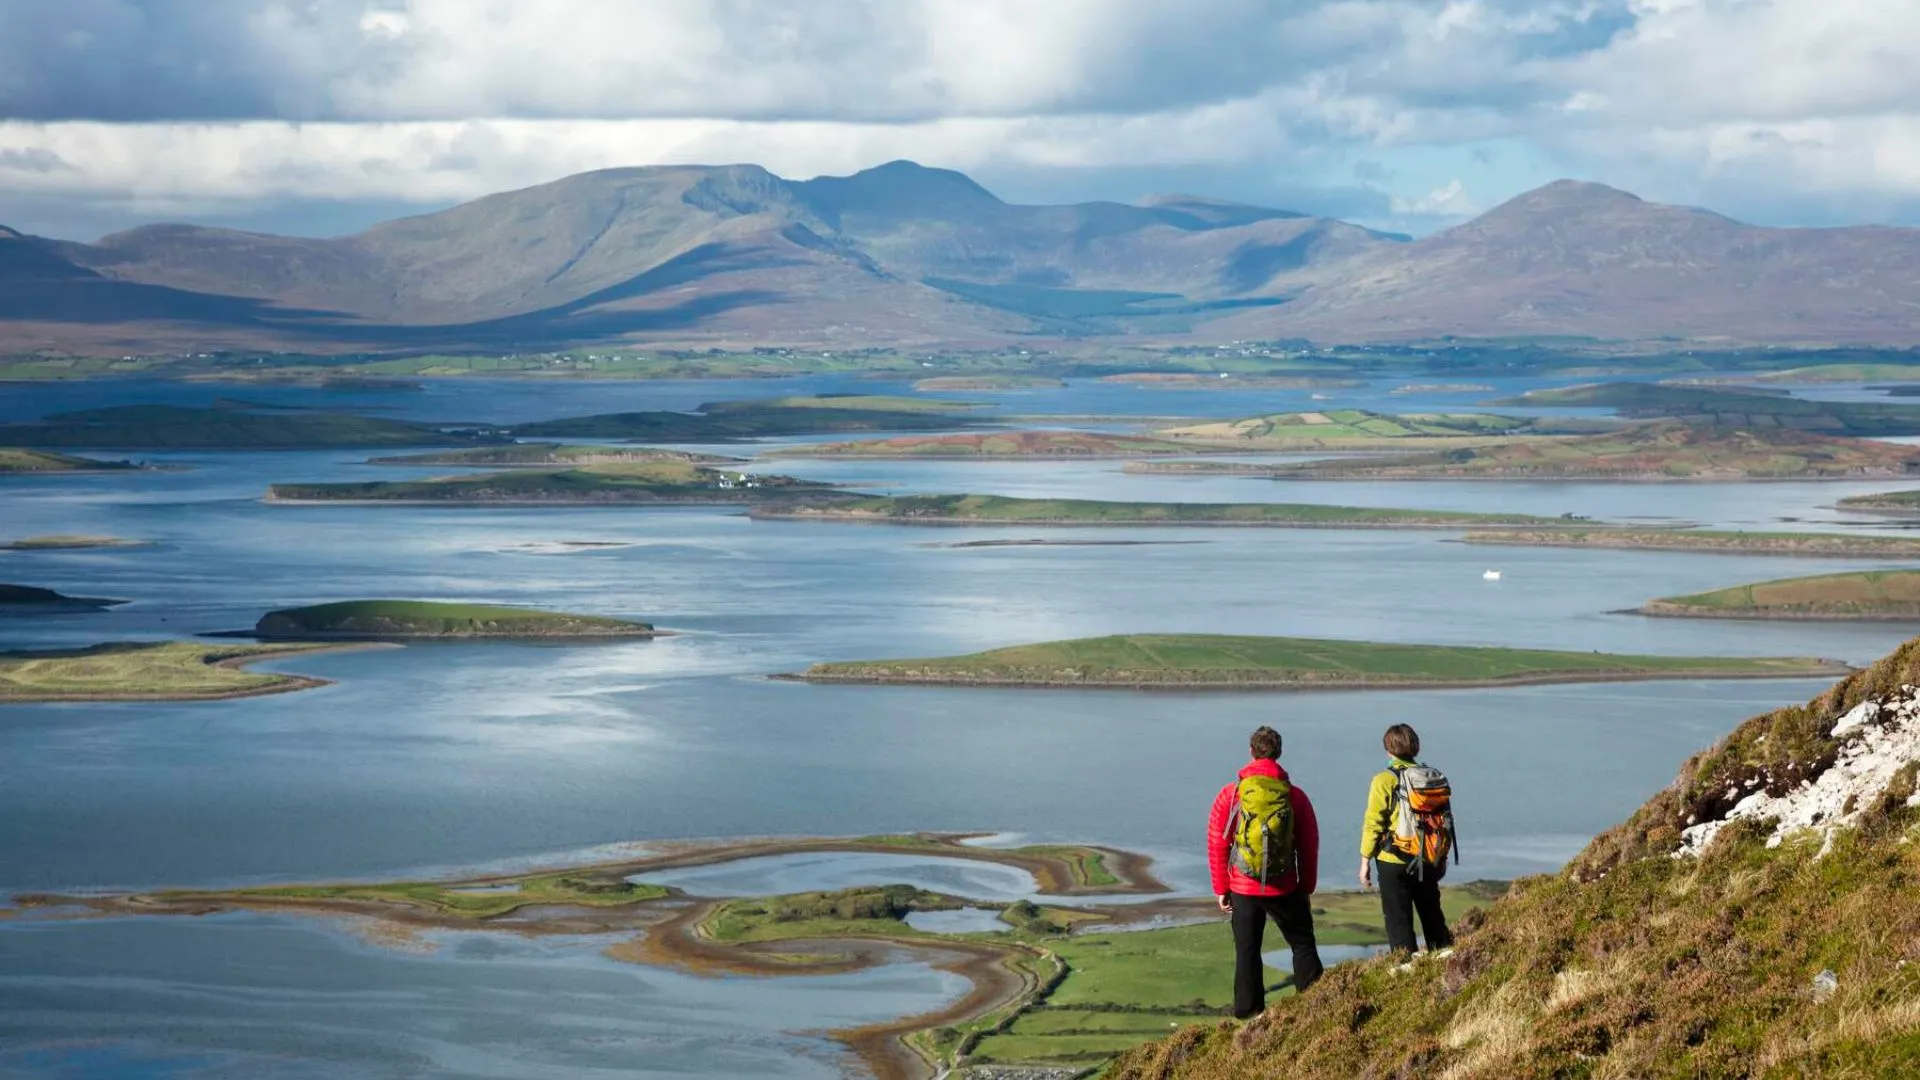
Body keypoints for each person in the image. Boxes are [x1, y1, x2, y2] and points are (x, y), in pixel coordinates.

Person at [1207, 724, 1322, 1019]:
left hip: (1243, 887)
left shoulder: (1231, 795)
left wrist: (1221, 888)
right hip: (1284, 886)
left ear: (1251, 752)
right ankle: (1316, 1007)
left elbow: (1217, 842)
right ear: (1279, 754)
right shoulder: (1295, 797)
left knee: (1247, 952)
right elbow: (1308, 846)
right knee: (1302, 945)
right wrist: (1305, 886)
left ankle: (1249, 1015)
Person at [1359, 723, 1453, 955]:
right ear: (1415, 747)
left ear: (1388, 749)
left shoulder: (1384, 779)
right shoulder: (1433, 777)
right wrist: (1442, 856)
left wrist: (1364, 861)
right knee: (1432, 916)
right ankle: (1446, 962)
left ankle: (1407, 973)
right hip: (1428, 857)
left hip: (1394, 860)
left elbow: (1373, 823)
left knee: (1398, 922)